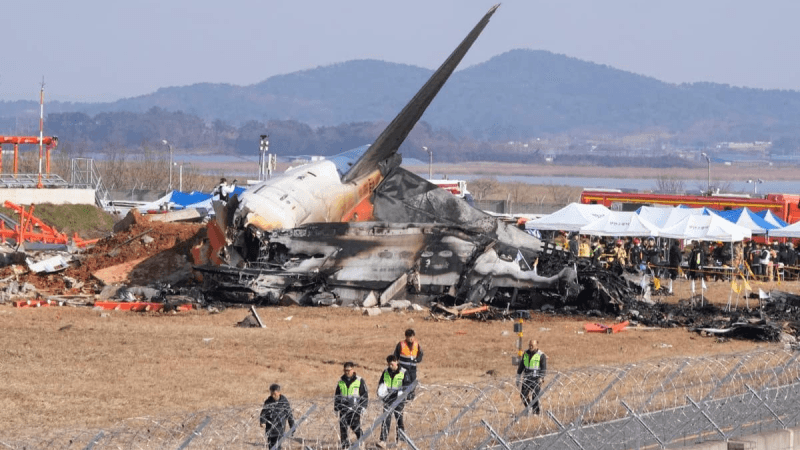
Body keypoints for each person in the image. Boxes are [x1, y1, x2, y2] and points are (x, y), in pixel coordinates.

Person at [376, 355, 412, 448]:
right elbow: (381, 384)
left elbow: (408, 386)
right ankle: (383, 441)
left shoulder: (404, 372)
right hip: (388, 399)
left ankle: (400, 440)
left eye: (392, 362)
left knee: (399, 419)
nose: (390, 364)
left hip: (399, 399)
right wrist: (381, 392)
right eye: (389, 363)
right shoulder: (385, 372)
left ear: (397, 362)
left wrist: (403, 394)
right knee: (385, 419)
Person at [334, 362, 369, 449]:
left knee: (355, 427)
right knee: (343, 428)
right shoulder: (341, 381)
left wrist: (363, 407)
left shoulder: (359, 380)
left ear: (353, 370)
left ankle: (361, 442)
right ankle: (345, 446)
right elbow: (337, 395)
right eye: (345, 370)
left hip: (355, 408)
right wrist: (336, 408)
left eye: (349, 370)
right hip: (343, 408)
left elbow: (364, 395)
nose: (347, 372)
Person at [260, 384, 296, 450]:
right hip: (270, 428)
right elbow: (263, 413)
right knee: (271, 446)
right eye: (271, 393)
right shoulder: (268, 402)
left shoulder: (284, 402)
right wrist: (262, 421)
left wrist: (292, 427)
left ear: (279, 392)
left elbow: (289, 415)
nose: (273, 395)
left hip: (280, 428)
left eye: (274, 393)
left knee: (277, 446)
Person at [516, 339, 547, 415]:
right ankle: (528, 408)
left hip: (536, 378)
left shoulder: (541, 355)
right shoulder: (526, 353)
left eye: (532, 345)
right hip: (527, 378)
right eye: (529, 345)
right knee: (523, 395)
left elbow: (543, 368)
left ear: (536, 345)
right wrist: (518, 376)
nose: (530, 347)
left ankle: (536, 412)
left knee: (535, 396)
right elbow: (521, 366)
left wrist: (541, 378)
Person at [394, 329, 423, 400]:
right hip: (403, 368)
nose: (411, 339)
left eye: (412, 337)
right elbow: (395, 355)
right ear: (406, 337)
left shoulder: (416, 344)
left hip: (412, 368)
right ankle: (404, 396)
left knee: (412, 381)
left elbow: (420, 354)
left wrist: (417, 359)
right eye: (409, 337)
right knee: (405, 382)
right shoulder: (401, 344)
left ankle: (410, 396)